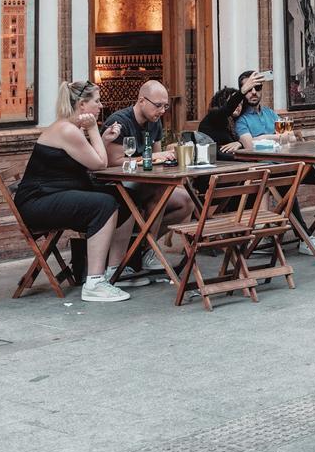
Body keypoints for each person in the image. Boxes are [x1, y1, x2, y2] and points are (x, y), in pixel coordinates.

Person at [14, 79, 134, 304]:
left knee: (124, 200)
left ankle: (115, 270)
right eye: (96, 102)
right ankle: (95, 283)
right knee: (104, 205)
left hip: (51, 195)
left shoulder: (72, 129)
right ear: (81, 105)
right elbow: (100, 164)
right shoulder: (67, 130)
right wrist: (94, 130)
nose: (100, 106)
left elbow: (97, 160)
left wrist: (98, 136)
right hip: (38, 202)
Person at [235, 69, 315, 257]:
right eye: (249, 88)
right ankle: (304, 238)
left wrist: (271, 138)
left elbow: (290, 136)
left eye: (257, 88)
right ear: (242, 90)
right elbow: (250, 145)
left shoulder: (269, 113)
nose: (253, 93)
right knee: (287, 179)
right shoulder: (241, 119)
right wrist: (277, 136)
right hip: (268, 169)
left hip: (291, 163)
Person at [101, 80, 194, 276]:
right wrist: (152, 158)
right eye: (158, 105)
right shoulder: (120, 121)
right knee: (160, 191)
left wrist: (168, 158)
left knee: (186, 200)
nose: (162, 110)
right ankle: (148, 250)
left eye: (165, 106)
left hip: (144, 182)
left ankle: (144, 249)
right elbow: (112, 162)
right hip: (118, 184)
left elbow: (157, 160)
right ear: (142, 100)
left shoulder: (155, 123)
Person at [197, 87, 246, 156]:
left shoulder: (234, 122)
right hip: (213, 161)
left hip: (228, 161)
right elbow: (227, 109)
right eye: (236, 102)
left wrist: (239, 143)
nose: (238, 106)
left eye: (241, 103)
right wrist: (242, 92)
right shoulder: (214, 115)